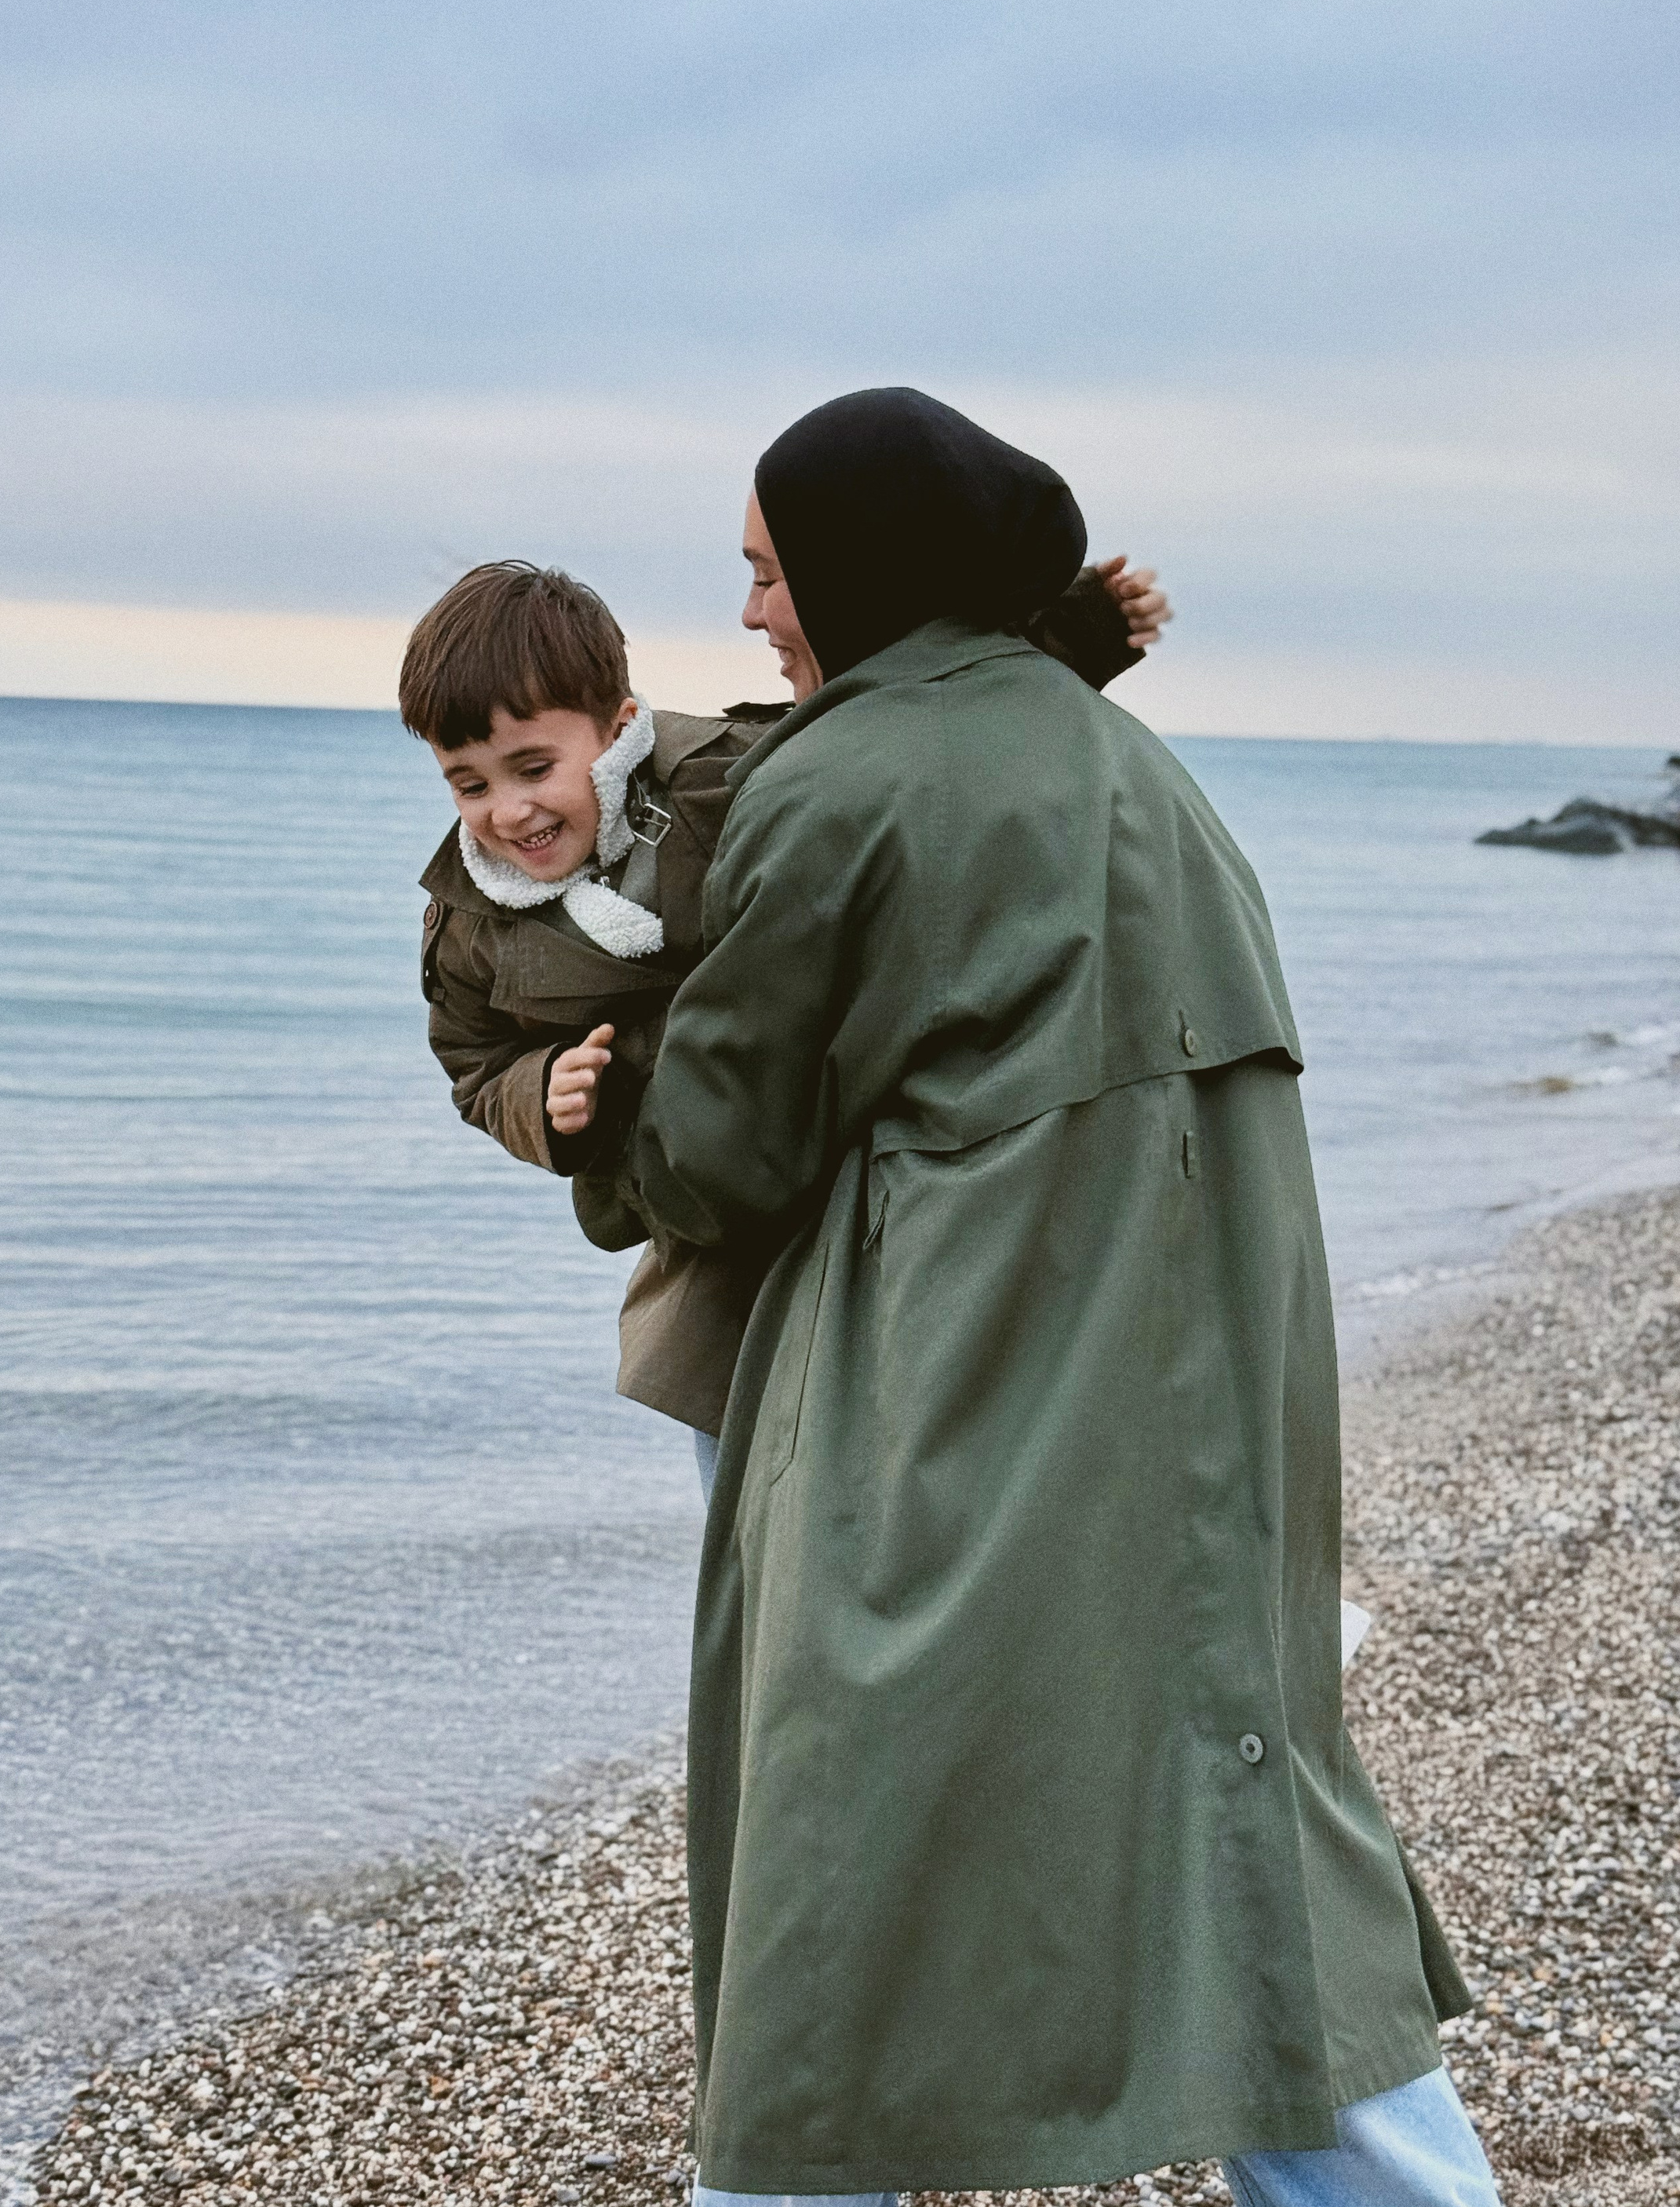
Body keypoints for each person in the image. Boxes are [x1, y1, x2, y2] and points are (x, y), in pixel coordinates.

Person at [585, 390, 1591, 2207]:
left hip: (947, 1414)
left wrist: (569, 1105)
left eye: (770, 571)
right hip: (1204, 1409)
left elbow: (722, 1147)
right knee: (1246, 1854)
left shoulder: (837, 780)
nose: (752, 617)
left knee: (814, 1861)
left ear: (860, 574)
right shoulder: (1132, 769)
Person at [401, 548, 1169, 1497]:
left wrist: (1070, 635)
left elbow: (901, 750)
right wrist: (540, 1092)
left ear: (619, 729)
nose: (508, 811)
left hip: (855, 1159)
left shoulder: (726, 776)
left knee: (924, 1440)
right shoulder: (471, 918)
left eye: (532, 766)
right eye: (468, 784)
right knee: (748, 1481)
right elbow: (474, 1063)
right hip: (701, 1234)